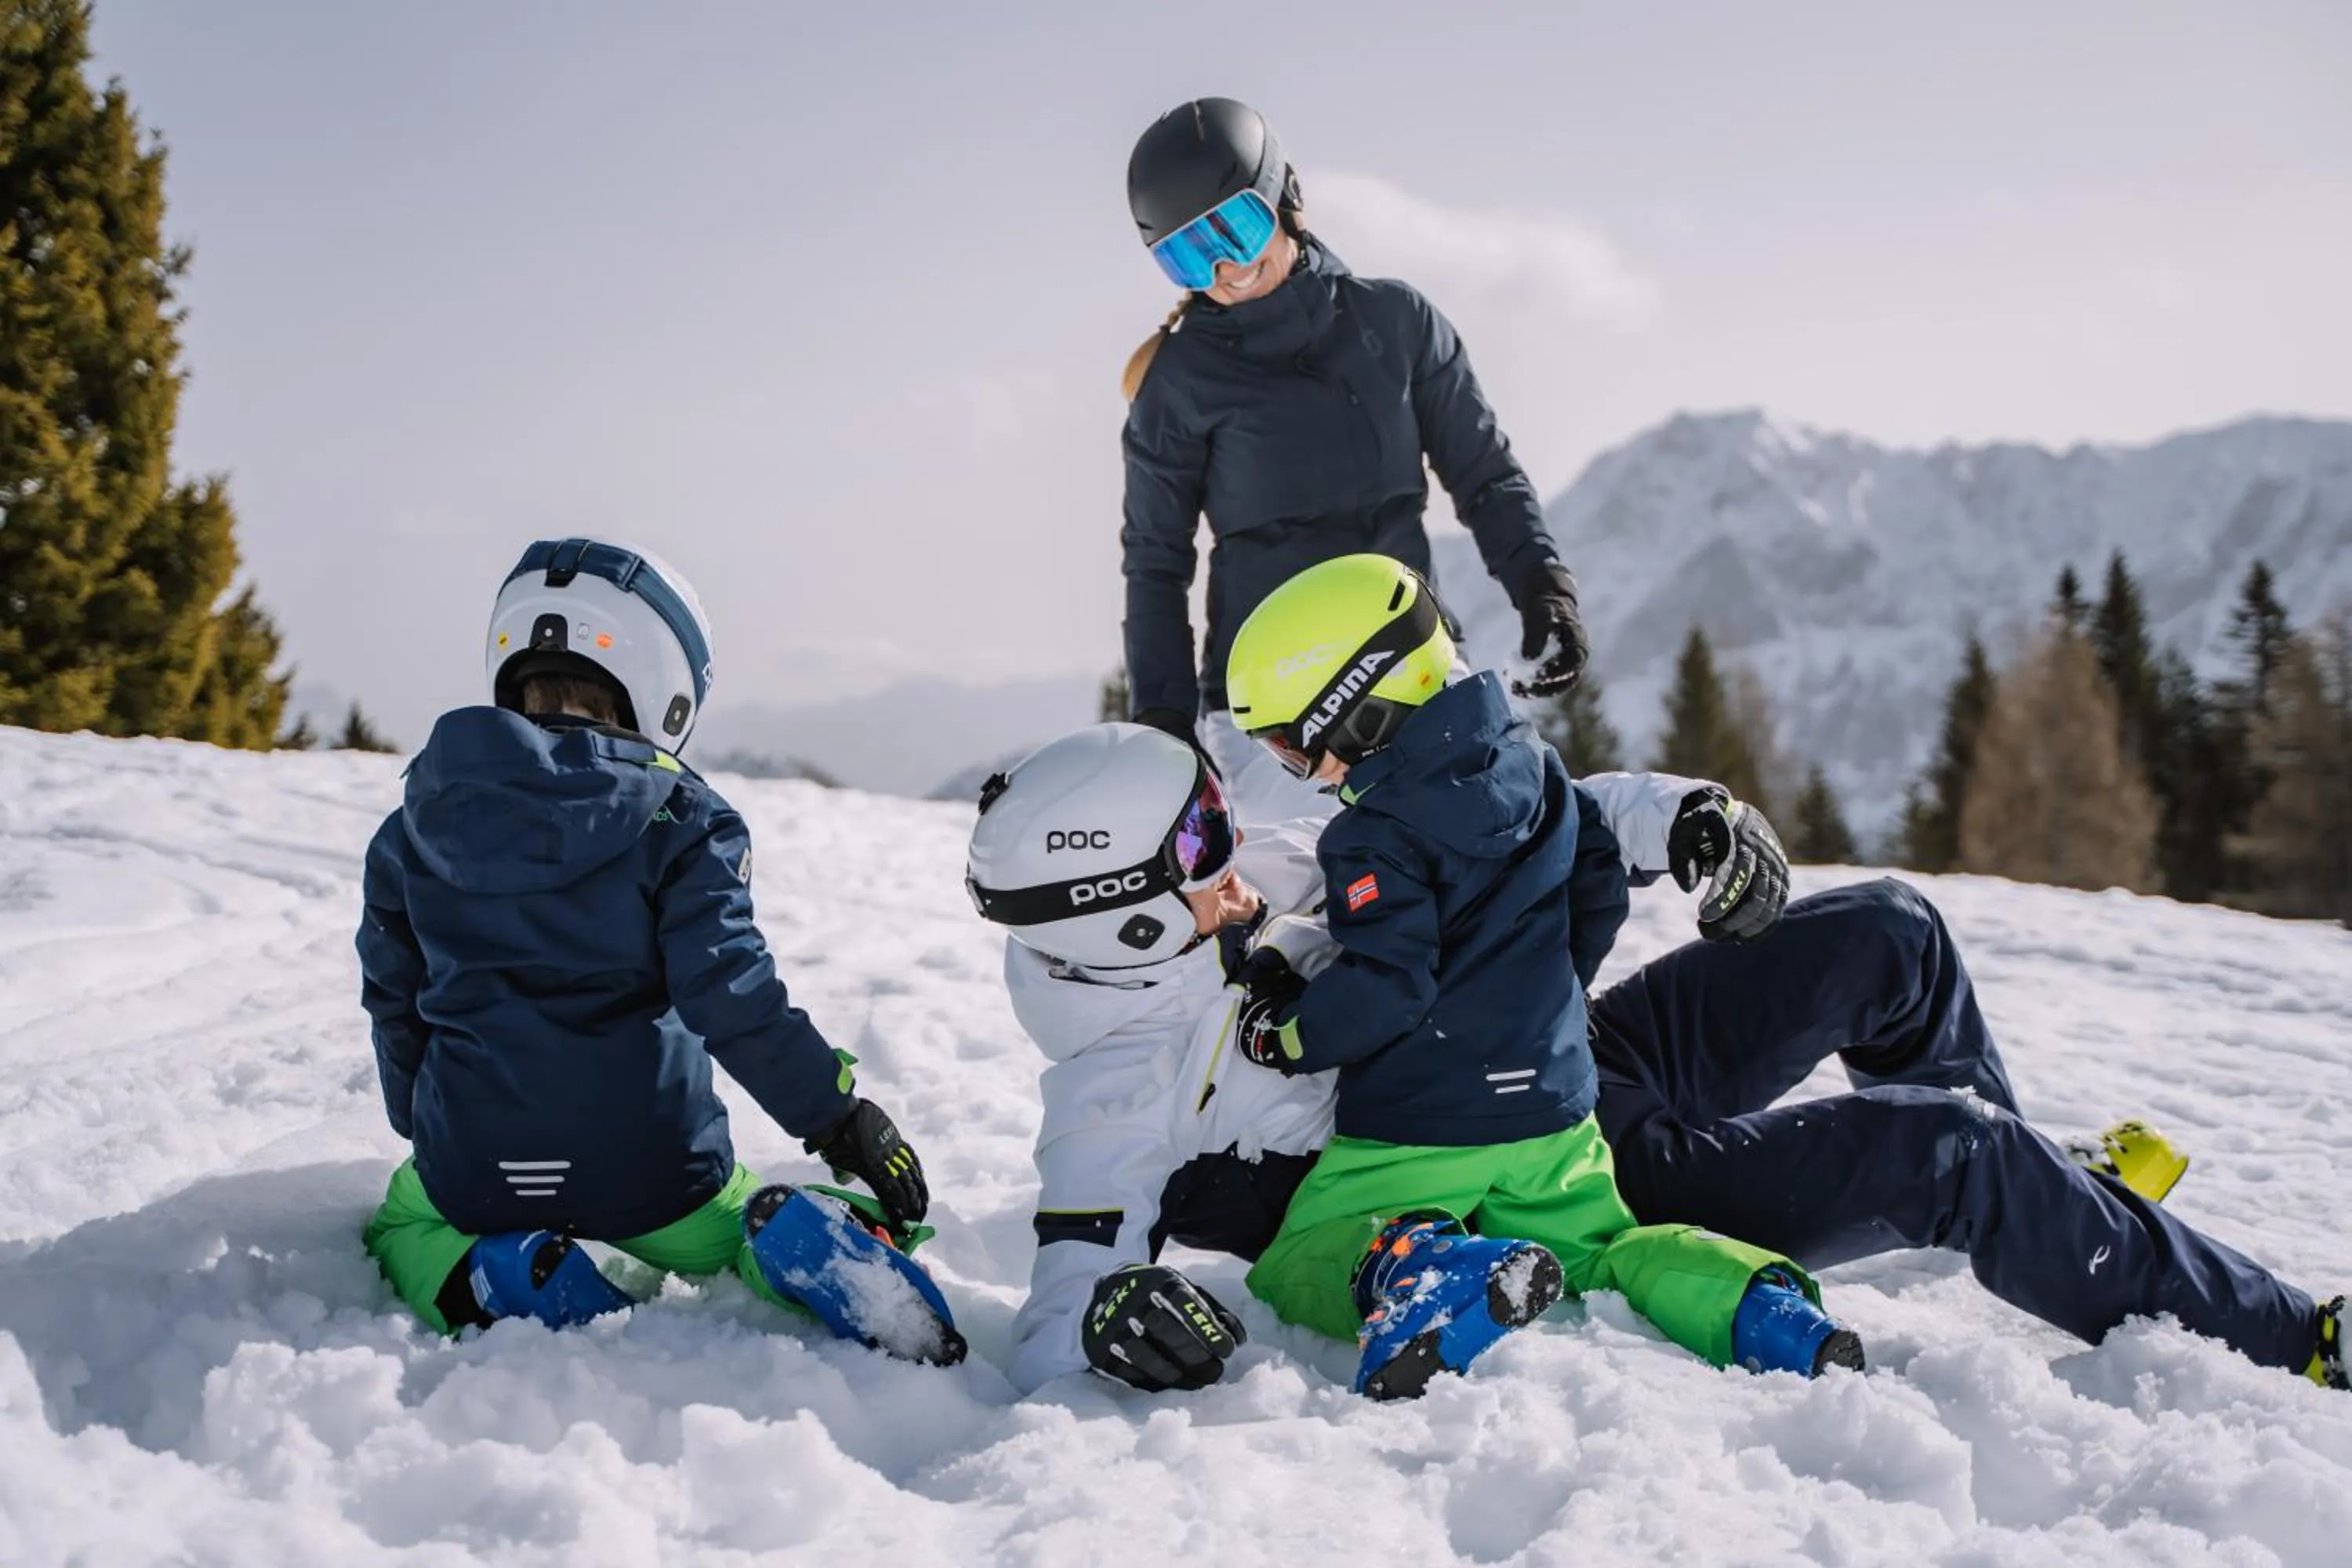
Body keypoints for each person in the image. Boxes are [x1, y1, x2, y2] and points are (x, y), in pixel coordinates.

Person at [356, 535, 959, 1362]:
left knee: (404, 1220)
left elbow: (394, 996)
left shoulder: (412, 826)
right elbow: (731, 991)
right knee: (736, 1224)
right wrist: (839, 1114)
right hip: (653, 1171)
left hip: (475, 1166)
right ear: (664, 683)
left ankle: (501, 1272)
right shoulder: (682, 817)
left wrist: (417, 1117)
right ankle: (782, 1236)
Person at [1118, 96, 1589, 824]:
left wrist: (1541, 583)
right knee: (1332, 902)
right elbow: (1155, 561)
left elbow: (1482, 471)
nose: (1223, 269)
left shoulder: (1395, 323)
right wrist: (1167, 722)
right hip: (1276, 711)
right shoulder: (1176, 385)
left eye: (1235, 231)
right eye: (1187, 254)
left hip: (1411, 662)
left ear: (1286, 198)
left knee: (1509, 851)